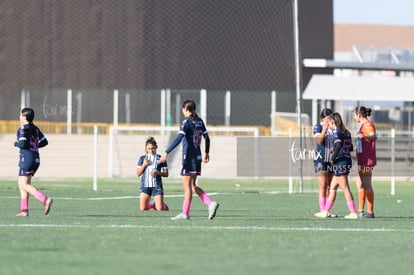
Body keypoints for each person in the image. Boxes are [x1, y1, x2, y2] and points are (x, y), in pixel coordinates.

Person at [160, 99, 219, 220]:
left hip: (188, 159)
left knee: (187, 187)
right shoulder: (200, 121)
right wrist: (206, 152)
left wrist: (166, 151)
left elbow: (178, 138)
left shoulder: (186, 122)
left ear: (185, 110)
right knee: (192, 186)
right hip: (197, 158)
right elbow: (207, 138)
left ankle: (185, 213)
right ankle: (210, 203)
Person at [315, 112, 357, 219]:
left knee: (345, 188)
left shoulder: (337, 132)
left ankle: (353, 212)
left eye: (329, 121)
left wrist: (333, 157)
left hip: (340, 162)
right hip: (346, 160)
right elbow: (350, 147)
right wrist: (336, 150)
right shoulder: (346, 132)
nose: (328, 124)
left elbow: (338, 145)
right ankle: (325, 211)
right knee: (332, 188)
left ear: (332, 121)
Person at [14, 108, 53, 217]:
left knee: (24, 184)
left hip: (27, 158)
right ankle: (24, 210)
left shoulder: (22, 129)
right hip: (35, 158)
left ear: (25, 117)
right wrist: (35, 147)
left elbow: (22, 144)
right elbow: (45, 141)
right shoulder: (35, 128)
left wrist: (16, 144)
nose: (19, 117)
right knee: (23, 184)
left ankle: (45, 199)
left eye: (21, 115)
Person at [354, 106, 377, 218]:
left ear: (359, 115)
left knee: (366, 184)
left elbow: (373, 136)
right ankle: (361, 211)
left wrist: (363, 136)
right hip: (363, 158)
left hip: (367, 160)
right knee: (360, 184)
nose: (354, 117)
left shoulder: (368, 125)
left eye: (355, 115)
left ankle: (369, 211)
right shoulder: (363, 125)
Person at [312, 108, 336, 216]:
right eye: (327, 118)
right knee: (322, 184)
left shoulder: (334, 127)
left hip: (331, 159)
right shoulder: (318, 126)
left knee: (330, 186)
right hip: (321, 158)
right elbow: (319, 140)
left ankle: (327, 210)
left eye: (331, 118)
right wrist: (325, 128)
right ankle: (322, 210)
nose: (329, 120)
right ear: (322, 119)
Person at [136, 136, 169, 211]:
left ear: (156, 147)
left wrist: (157, 172)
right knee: (143, 208)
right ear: (146, 149)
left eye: (153, 148)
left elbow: (166, 174)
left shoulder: (160, 158)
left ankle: (162, 205)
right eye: (149, 149)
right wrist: (144, 165)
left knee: (160, 209)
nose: (151, 150)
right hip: (145, 186)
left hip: (156, 186)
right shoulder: (142, 158)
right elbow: (138, 174)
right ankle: (153, 205)